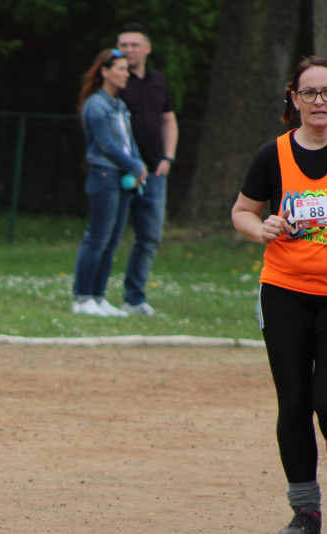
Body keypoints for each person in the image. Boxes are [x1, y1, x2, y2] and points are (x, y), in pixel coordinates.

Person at [231, 55, 327, 534]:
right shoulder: (271, 155)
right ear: (293, 99)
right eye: (309, 93)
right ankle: (306, 514)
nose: (318, 101)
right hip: (284, 291)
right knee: (295, 401)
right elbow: (241, 211)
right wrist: (262, 228)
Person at [72, 49, 147, 317]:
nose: (126, 74)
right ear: (105, 71)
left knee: (112, 240)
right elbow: (106, 145)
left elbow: (128, 142)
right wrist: (135, 165)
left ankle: (98, 296)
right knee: (97, 238)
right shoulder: (96, 105)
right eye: (121, 69)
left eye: (127, 69)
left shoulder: (119, 105)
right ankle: (82, 298)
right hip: (104, 176)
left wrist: (138, 165)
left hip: (122, 178)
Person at [116, 23, 178, 317]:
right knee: (107, 236)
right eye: (123, 45)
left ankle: (134, 299)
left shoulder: (158, 81)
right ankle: (90, 298)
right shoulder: (114, 80)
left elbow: (168, 120)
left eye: (134, 45)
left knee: (150, 238)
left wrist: (168, 158)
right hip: (121, 171)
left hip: (154, 173)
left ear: (147, 48)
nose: (128, 50)